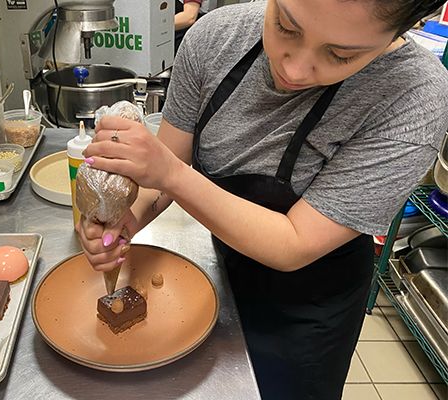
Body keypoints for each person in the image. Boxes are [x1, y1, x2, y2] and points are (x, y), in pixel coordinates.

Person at [77, 0, 448, 399]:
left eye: (340, 54)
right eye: (285, 27)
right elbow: (166, 169)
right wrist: (126, 216)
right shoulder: (215, 38)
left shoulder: (414, 97)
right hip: (220, 277)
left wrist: (170, 173)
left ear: (400, 31)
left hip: (307, 311)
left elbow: (294, 243)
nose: (293, 70)